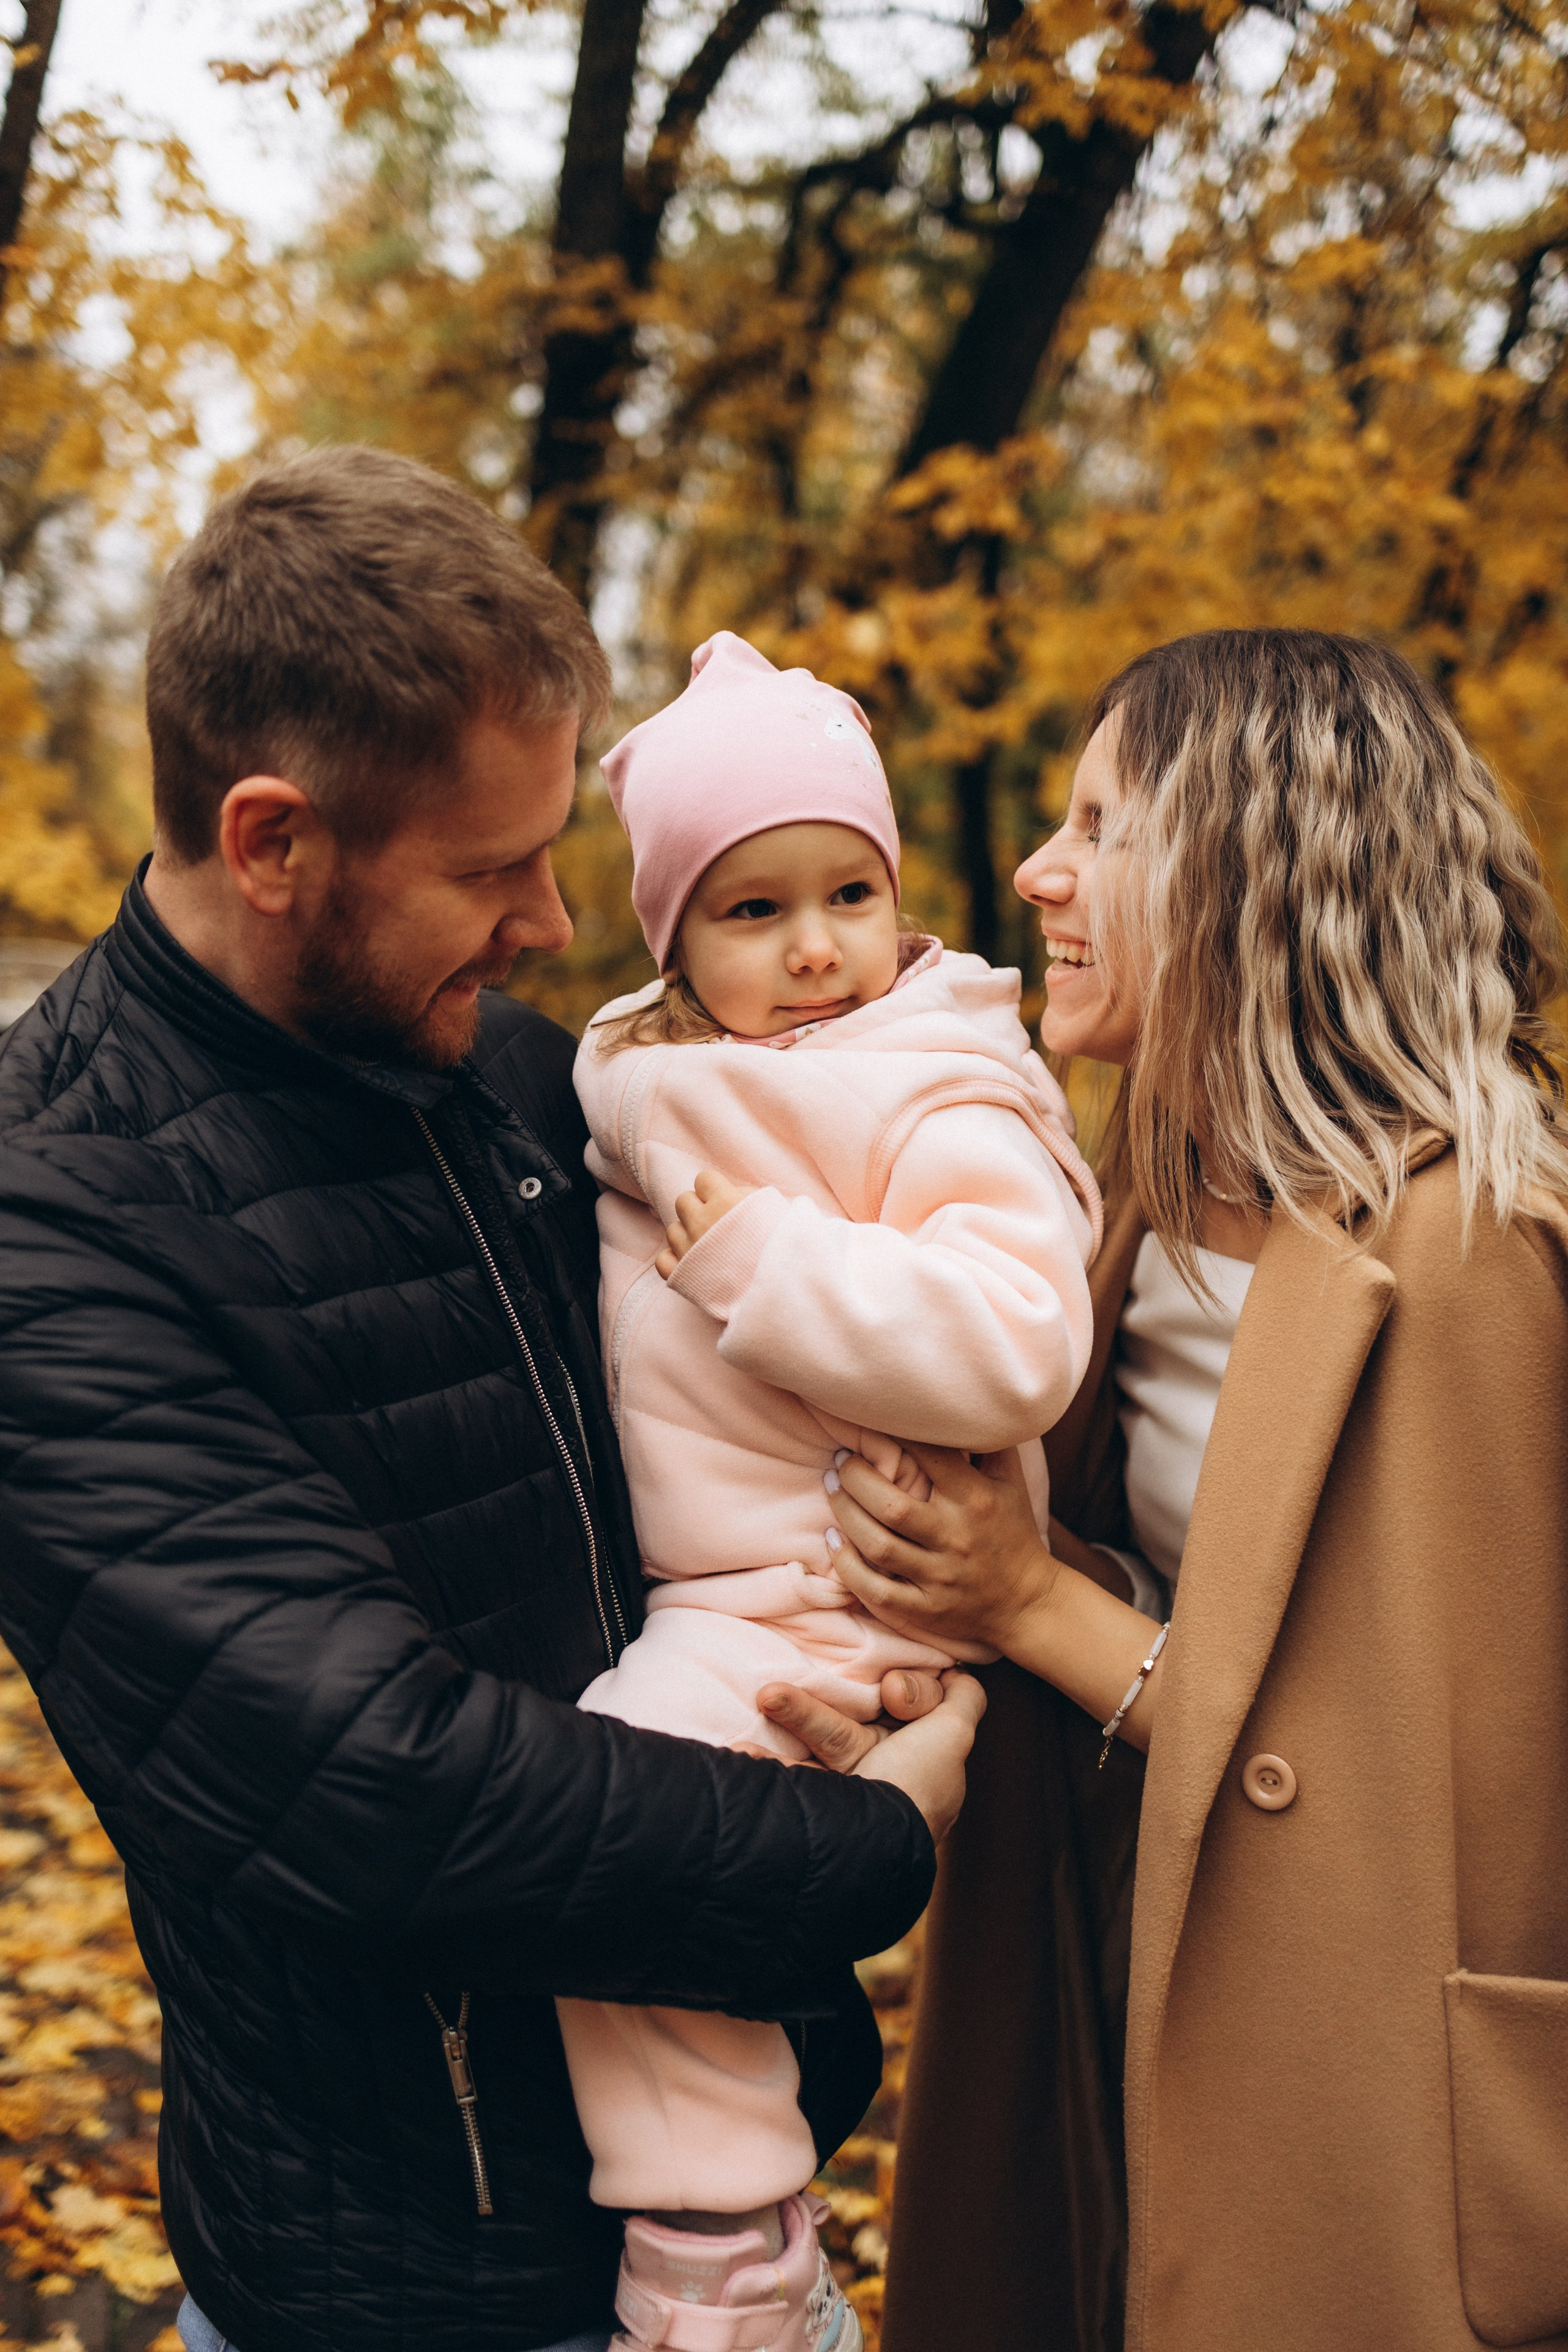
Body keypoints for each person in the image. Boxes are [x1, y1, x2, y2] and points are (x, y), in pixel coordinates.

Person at [0, 447, 981, 2352]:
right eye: (488, 866)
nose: (551, 918)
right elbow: (379, 1784)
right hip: (415, 2275)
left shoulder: (522, 1083)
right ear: (273, 841)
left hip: (730, 2185)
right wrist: (879, 1846)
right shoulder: (55, 1218)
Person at [790, 630, 1568, 2351]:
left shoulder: (1474, 1255)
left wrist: (1029, 1601)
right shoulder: (1133, 1210)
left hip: (1356, 2122)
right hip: (1118, 2000)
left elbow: (1390, 1798)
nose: (1035, 870)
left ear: (1251, 869)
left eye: (1099, 823)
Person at [551, 630, 1099, 2352]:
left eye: (848, 894)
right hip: (720, 1597)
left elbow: (1019, 1338)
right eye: (752, 910)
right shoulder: (645, 1080)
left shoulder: (931, 1084)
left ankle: (725, 2269)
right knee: (597, 1858)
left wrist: (774, 1265)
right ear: (675, 939)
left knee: (617, 1841)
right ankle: (741, 2241)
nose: (814, 949)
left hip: (847, 1595)